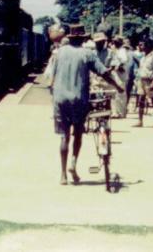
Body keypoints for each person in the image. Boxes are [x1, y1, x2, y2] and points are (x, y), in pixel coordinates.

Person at [50, 24, 123, 185]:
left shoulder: (59, 52)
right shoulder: (87, 54)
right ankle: (73, 164)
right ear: (83, 38)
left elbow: (52, 77)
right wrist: (118, 86)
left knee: (64, 137)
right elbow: (103, 73)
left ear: (70, 37)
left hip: (60, 99)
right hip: (78, 100)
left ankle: (63, 175)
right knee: (77, 134)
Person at [135, 40, 153, 128]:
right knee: (141, 100)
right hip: (141, 80)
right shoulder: (143, 57)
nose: (140, 46)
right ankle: (140, 121)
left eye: (141, 45)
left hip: (150, 81)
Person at [109, 36, 130, 118]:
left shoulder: (122, 50)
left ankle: (121, 112)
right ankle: (115, 112)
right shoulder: (115, 50)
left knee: (121, 93)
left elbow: (124, 60)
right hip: (115, 74)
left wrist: (118, 66)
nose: (115, 42)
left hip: (121, 74)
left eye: (116, 41)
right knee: (115, 94)